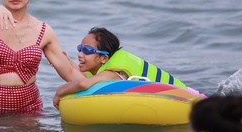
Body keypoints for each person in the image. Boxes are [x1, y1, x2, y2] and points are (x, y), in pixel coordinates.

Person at [53, 27, 197, 108]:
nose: (80, 54)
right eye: (80, 48)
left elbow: (83, 83)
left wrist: (59, 93)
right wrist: (66, 61)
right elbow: (80, 76)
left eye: (88, 51)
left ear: (104, 58)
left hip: (185, 100)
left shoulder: (114, 73)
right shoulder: (101, 70)